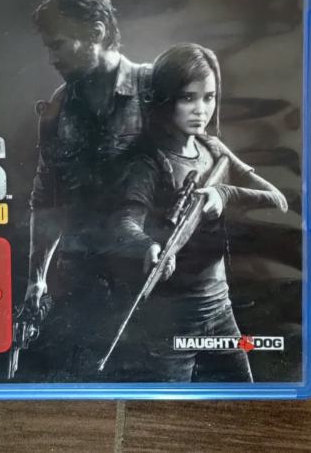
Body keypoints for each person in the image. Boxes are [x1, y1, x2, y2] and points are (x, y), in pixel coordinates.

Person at [109, 43, 288, 382]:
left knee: (244, 396)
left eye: (209, 98)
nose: (201, 110)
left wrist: (224, 193)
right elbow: (124, 222)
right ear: (164, 99)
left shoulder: (212, 148)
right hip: (170, 318)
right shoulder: (147, 162)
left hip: (220, 306)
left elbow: (277, 199)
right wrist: (147, 246)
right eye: (188, 98)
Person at [22, 0, 151, 379]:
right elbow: (47, 200)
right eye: (48, 47)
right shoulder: (57, 109)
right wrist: (36, 280)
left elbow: (201, 165)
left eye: (59, 45)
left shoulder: (154, 88)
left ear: (96, 32)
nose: (51, 58)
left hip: (154, 280)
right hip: (80, 284)